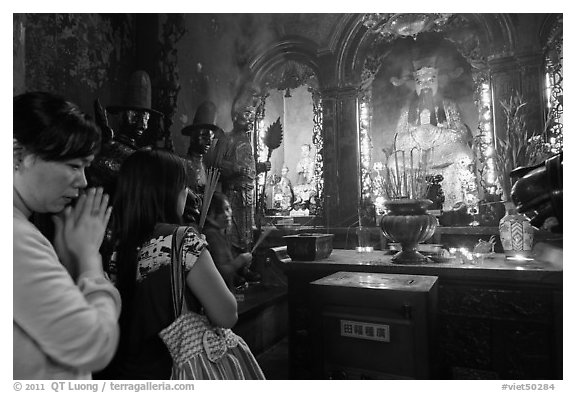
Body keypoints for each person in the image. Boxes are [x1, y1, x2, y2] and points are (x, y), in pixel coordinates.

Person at [101, 149, 239, 379]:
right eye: (183, 186)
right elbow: (226, 314)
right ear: (167, 192)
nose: (187, 194)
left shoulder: (111, 242)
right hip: (175, 369)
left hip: (124, 369)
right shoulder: (181, 240)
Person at [13, 91, 121, 379]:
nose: (83, 181)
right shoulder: (15, 237)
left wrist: (70, 265)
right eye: (74, 166)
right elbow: (96, 343)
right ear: (19, 155)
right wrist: (89, 259)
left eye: (85, 168)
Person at [392, 55, 476, 209]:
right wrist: (418, 133)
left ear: (437, 82)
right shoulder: (407, 110)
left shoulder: (448, 105)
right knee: (394, 162)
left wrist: (435, 132)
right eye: (420, 82)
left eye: (430, 80)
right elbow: (399, 140)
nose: (425, 85)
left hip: (442, 152)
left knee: (462, 155)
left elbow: (461, 134)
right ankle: (404, 205)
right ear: (415, 85)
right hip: (416, 155)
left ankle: (456, 205)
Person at [212, 83, 271, 250]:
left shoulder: (247, 142)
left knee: (247, 231)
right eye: (247, 114)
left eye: (253, 114)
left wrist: (260, 167)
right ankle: (234, 263)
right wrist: (236, 168)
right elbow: (216, 165)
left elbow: (249, 168)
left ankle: (245, 263)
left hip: (249, 194)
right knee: (233, 231)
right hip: (233, 193)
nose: (251, 118)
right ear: (236, 116)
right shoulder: (227, 139)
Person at [180, 101, 222, 223]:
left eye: (211, 137)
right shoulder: (182, 164)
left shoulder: (206, 167)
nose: (208, 142)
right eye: (204, 136)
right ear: (193, 135)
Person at [203, 192, 254, 290]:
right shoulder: (211, 235)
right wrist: (240, 260)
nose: (226, 214)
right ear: (209, 214)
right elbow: (221, 272)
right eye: (219, 211)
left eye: (227, 209)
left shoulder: (219, 233)